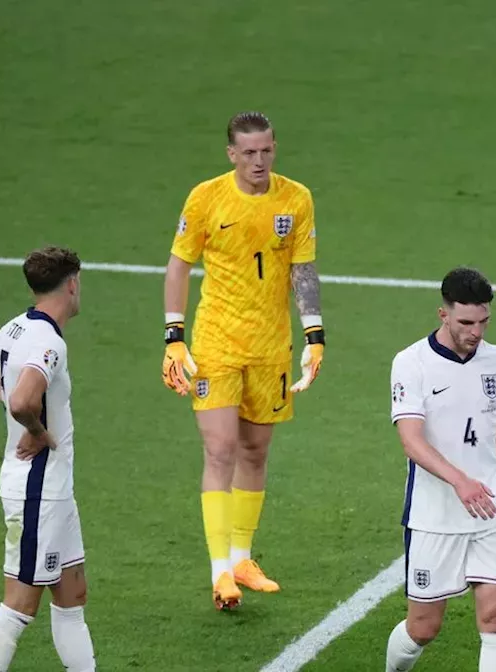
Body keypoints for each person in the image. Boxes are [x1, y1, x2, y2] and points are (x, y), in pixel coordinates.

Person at [160, 111, 325, 610]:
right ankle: (219, 574)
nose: (259, 160)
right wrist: (174, 336)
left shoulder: (296, 198)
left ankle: (242, 559)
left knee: (255, 452)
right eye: (248, 152)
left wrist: (315, 335)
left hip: (271, 346)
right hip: (217, 343)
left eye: (266, 151)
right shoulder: (206, 197)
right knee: (221, 450)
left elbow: (304, 270)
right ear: (231, 153)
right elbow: (179, 265)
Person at [0, 246, 96, 672]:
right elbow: (23, 401)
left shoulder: (17, 328)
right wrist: (36, 430)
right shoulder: (47, 342)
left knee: (71, 595)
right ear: (72, 284)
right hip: (38, 490)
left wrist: (11, 403)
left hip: (53, 491)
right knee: (19, 606)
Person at [385, 268, 496, 672]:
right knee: (424, 628)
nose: (475, 332)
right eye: (465, 323)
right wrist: (460, 481)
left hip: (490, 512)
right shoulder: (412, 363)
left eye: (482, 322)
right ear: (443, 315)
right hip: (435, 516)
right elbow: (411, 439)